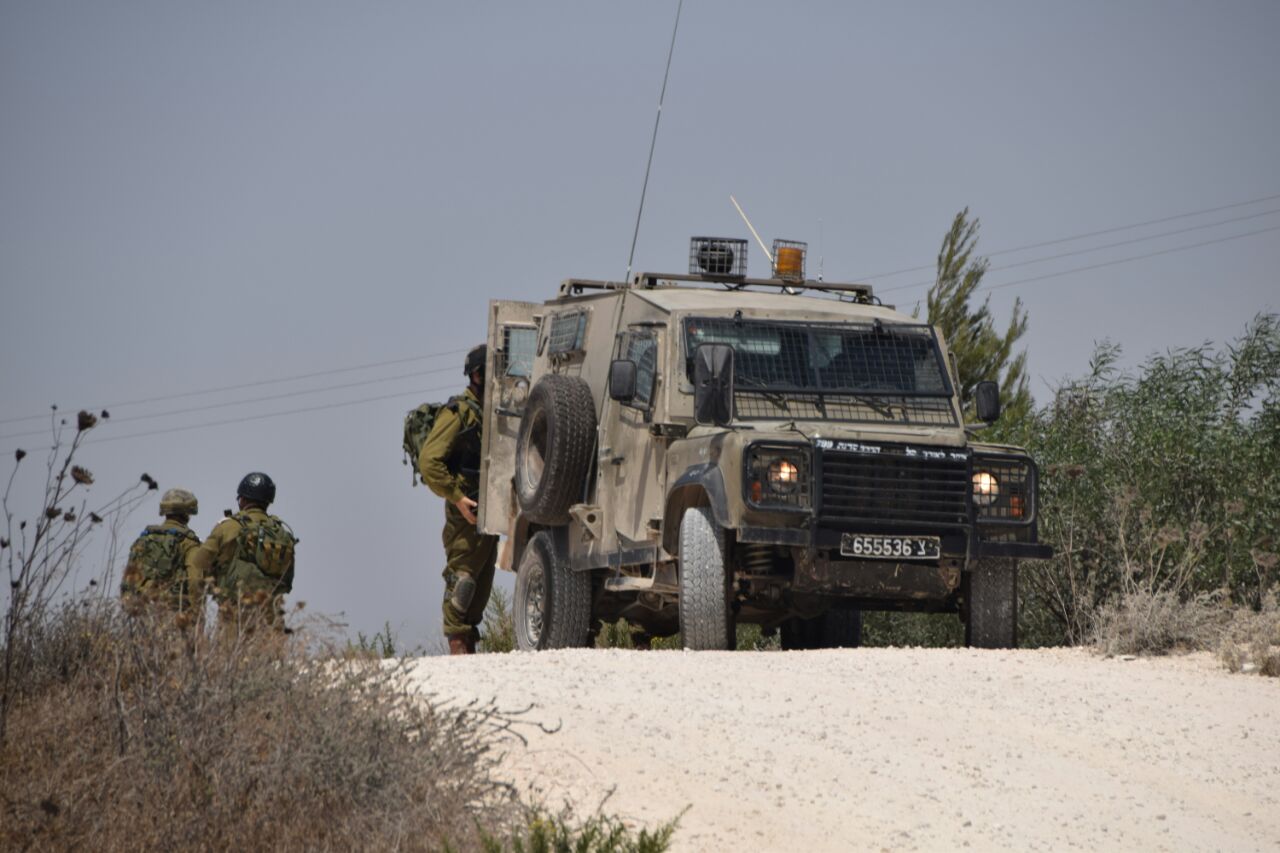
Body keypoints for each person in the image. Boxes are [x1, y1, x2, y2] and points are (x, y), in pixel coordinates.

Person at [419, 344, 498, 655]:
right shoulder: (459, 412)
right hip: (466, 511)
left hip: (489, 510)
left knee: (480, 588)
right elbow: (429, 461)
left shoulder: (493, 412)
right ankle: (457, 655)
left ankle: (468, 657)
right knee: (462, 583)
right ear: (477, 375)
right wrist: (457, 498)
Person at [187, 472, 297, 633]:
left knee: (231, 656)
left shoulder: (228, 527)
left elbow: (199, 564)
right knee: (272, 657)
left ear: (242, 500)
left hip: (234, 615)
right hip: (272, 616)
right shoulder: (281, 533)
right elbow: (287, 580)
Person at [121, 488, 203, 614]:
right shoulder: (189, 543)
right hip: (173, 614)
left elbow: (128, 578)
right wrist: (197, 613)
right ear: (187, 513)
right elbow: (195, 580)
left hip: (142, 611)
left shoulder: (144, 539)